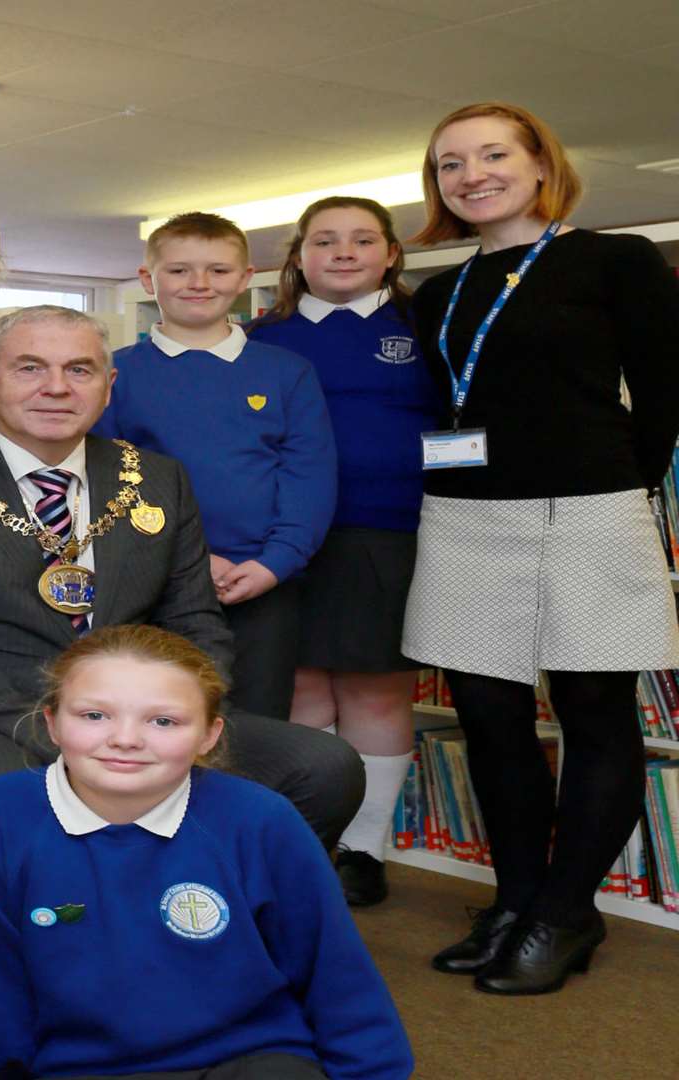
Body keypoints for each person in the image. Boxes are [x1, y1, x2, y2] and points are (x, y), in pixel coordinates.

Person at [0, 304, 362, 1060]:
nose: (55, 386)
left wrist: (171, 720)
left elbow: (199, 626)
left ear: (107, 384)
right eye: (30, 367)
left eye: (79, 369)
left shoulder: (156, 479)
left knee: (321, 767)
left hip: (136, 712)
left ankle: (205, 951)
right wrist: (71, 725)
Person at [401, 102, 679, 994]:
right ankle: (516, 901)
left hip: (587, 511)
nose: (471, 174)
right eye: (450, 164)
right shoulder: (440, 293)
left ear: (538, 164)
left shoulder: (614, 260)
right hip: (464, 517)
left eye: (492, 155)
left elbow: (665, 392)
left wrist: (611, 479)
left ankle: (566, 914)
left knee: (596, 718)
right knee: (491, 720)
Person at [0, 625, 414, 1080]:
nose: (125, 739)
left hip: (249, 1056)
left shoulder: (262, 819)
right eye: (93, 715)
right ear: (52, 723)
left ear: (209, 734)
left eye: (163, 721)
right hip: (77, 1066)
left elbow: (337, 977)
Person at [248, 197, 444, 907]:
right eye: (325, 240)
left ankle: (364, 849)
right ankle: (310, 840)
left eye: (363, 239)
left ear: (392, 253)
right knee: (297, 688)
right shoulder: (257, 337)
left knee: (374, 689)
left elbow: (467, 423)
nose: (343, 252)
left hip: (388, 531)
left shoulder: (429, 327)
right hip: (280, 539)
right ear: (298, 256)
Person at [93, 212, 338, 720]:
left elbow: (308, 477)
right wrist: (188, 562)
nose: (199, 284)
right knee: (158, 718)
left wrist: (276, 563)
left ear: (247, 279)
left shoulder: (287, 372)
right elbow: (105, 482)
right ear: (148, 279)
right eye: (180, 270)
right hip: (153, 583)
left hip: (262, 582)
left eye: (219, 271)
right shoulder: (113, 375)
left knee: (255, 722)